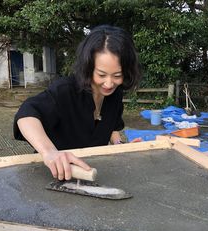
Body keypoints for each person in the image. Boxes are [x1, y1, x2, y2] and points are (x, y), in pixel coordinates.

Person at [13, 25, 141, 181]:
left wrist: (119, 144)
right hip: (54, 176)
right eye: (101, 74)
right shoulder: (65, 90)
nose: (109, 83)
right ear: (89, 67)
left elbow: (113, 127)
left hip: (92, 175)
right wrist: (49, 152)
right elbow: (27, 114)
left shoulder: (115, 95)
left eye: (117, 75)